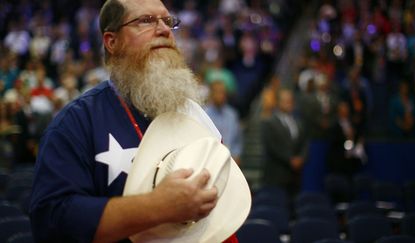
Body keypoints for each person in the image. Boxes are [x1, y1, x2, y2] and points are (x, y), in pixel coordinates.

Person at [29, 0, 235, 242]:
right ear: (111, 41)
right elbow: (52, 220)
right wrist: (156, 207)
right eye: (146, 21)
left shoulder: (192, 113)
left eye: (168, 21)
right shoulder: (76, 123)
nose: (164, 30)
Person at [261, 88, 308, 198]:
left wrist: (301, 158)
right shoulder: (269, 122)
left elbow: (304, 143)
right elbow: (272, 146)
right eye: (285, 101)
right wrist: (290, 160)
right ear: (278, 102)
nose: (289, 103)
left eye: (290, 100)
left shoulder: (298, 122)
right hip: (276, 175)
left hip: (295, 176)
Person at [205, 80, 242, 163]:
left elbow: (237, 139)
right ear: (211, 94)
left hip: (230, 159)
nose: (221, 95)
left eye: (223, 92)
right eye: (217, 92)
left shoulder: (232, 114)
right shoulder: (205, 114)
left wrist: (237, 155)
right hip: (210, 160)